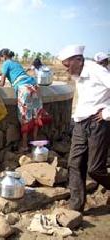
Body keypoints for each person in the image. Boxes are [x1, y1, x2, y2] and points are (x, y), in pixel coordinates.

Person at [58, 44, 110, 212]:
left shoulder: (96, 70)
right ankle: (76, 205)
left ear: (78, 60)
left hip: (98, 123)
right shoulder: (78, 74)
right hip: (81, 123)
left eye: (67, 66)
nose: (66, 70)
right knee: (74, 163)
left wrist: (108, 112)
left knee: (95, 169)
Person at [0, 48, 50, 152]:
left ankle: (24, 145)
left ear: (3, 56)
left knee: (25, 116)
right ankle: (35, 144)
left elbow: (2, 83)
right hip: (34, 86)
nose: (1, 62)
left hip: (24, 88)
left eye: (1, 59)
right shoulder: (16, 63)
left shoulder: (6, 63)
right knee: (36, 115)